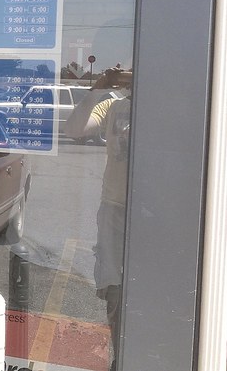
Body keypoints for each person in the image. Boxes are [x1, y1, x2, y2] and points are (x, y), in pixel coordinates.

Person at [93, 68, 132, 370]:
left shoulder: (174, 103)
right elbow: (75, 127)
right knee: (115, 293)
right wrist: (99, 88)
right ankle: (120, 356)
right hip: (114, 208)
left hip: (154, 214)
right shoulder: (114, 105)